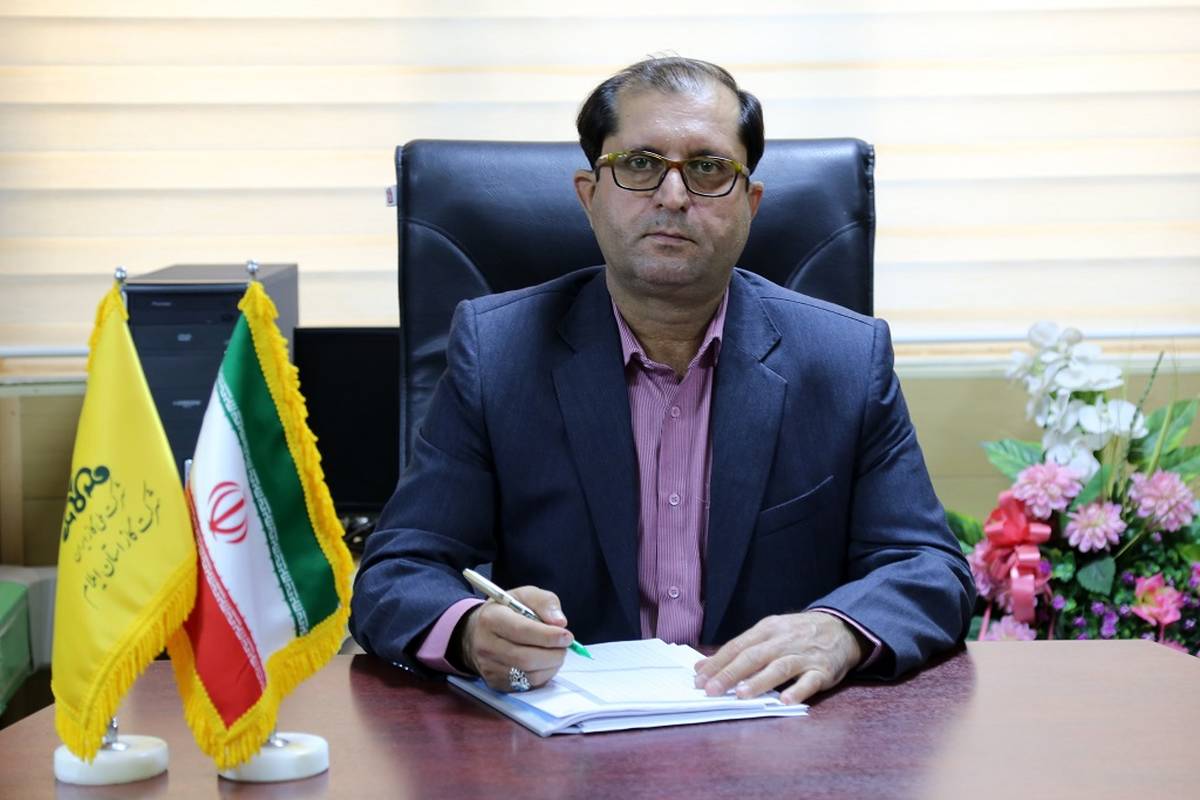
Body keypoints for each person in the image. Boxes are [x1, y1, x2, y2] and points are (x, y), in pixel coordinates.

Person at [350, 56, 974, 704]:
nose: (673, 196)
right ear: (589, 196)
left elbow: (929, 568)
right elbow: (397, 573)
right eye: (640, 164)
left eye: (708, 169)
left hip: (770, 728)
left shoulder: (844, 360)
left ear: (751, 204)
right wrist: (469, 630)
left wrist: (838, 631)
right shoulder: (499, 354)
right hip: (567, 737)